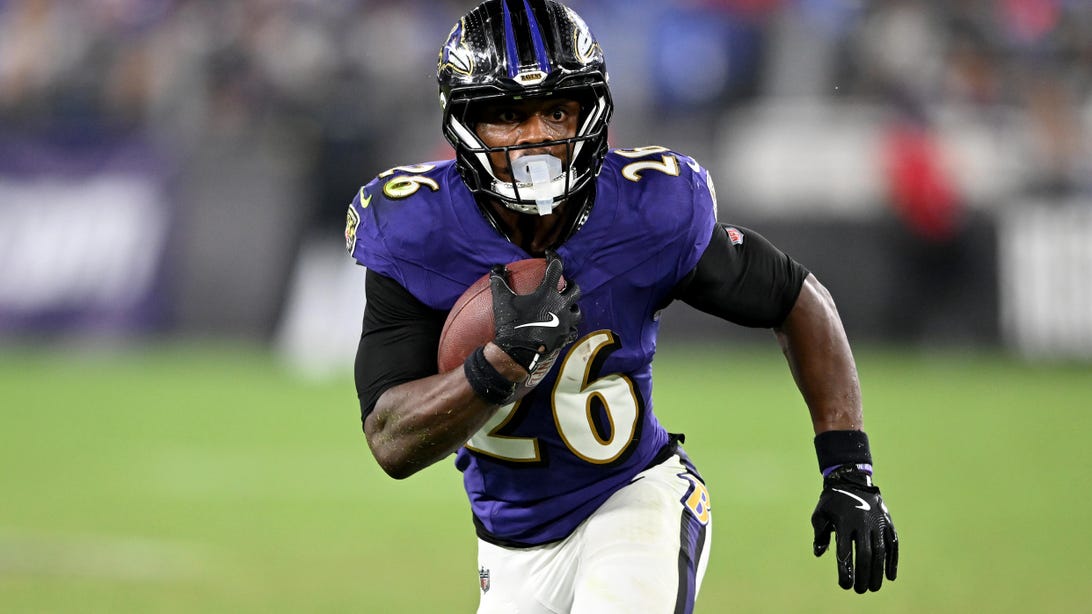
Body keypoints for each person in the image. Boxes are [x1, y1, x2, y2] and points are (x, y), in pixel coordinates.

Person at [344, 1, 898, 612]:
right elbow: (390, 439)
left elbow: (796, 298)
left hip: (633, 495)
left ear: (593, 110)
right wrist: (499, 365)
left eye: (556, 109)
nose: (535, 137)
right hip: (509, 546)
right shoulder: (415, 230)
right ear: (463, 123)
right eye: (506, 115)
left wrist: (849, 468)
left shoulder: (648, 209)